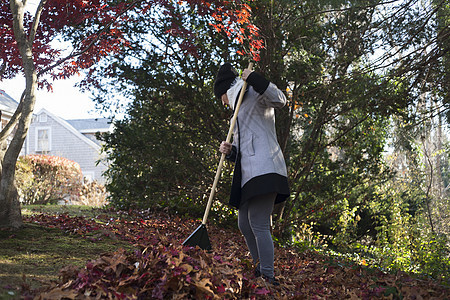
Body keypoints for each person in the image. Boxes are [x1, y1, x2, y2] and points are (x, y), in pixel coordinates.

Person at [214, 62, 290, 285]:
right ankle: (259, 269)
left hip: (266, 167)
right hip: (248, 173)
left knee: (257, 222)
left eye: (222, 100)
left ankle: (268, 275)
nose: (223, 104)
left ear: (224, 93)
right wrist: (229, 151)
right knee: (244, 224)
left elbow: (281, 100)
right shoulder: (235, 115)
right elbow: (241, 149)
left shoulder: (254, 92)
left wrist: (256, 78)